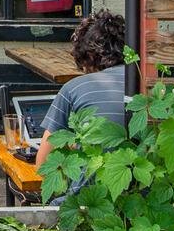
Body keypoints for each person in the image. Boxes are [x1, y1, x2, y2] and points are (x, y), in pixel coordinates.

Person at [34, 10, 129, 172]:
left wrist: (76, 144)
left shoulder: (73, 88)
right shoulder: (149, 83)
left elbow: (44, 166)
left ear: (89, 56)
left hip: (88, 194)